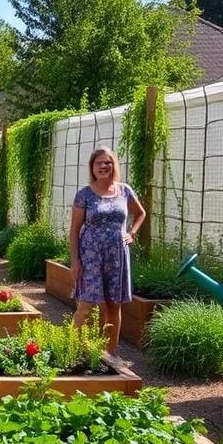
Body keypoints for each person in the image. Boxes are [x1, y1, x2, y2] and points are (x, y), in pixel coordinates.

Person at [69, 146, 146, 355]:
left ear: (113, 166)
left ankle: (110, 354)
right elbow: (74, 231)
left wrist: (132, 233)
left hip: (117, 257)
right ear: (92, 168)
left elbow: (141, 213)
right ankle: (70, 352)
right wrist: (75, 262)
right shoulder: (84, 195)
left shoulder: (124, 190)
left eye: (107, 162)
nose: (103, 166)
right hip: (91, 256)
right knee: (85, 306)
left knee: (113, 307)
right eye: (98, 163)